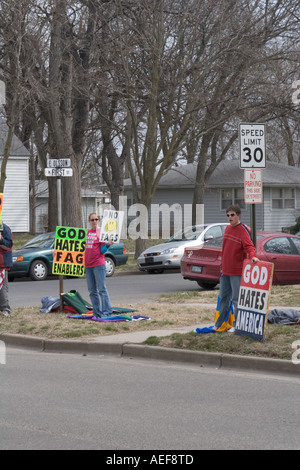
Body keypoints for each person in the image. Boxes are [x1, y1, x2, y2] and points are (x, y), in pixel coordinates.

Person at [214, 205, 259, 332]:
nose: (230, 217)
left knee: (237, 299)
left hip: (237, 272)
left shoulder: (243, 230)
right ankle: (219, 323)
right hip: (225, 271)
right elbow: (225, 250)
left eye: (232, 215)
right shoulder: (227, 229)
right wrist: (222, 265)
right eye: (228, 215)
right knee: (223, 297)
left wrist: (253, 257)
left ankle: (237, 325)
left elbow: (249, 247)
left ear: (239, 215)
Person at [85, 213, 113, 318]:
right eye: (92, 220)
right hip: (88, 265)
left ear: (98, 221)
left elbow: (102, 250)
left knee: (102, 289)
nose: (94, 221)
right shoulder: (86, 233)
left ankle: (107, 312)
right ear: (89, 221)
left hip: (98, 264)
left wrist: (108, 245)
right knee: (92, 291)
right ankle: (97, 312)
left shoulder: (101, 232)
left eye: (96, 219)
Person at [0, 223, 13, 316]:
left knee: (2, 288)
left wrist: (1, 239)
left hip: (2, 264)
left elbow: (9, 245)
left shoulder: (4, 228)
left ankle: (5, 309)